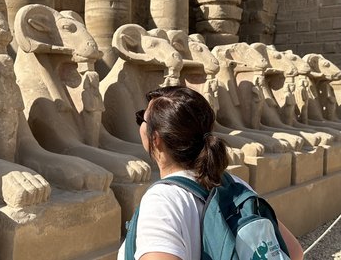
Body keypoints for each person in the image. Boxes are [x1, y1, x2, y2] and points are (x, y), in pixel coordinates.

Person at [117, 86, 303, 260]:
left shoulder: (163, 201)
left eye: (142, 118)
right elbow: (294, 252)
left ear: (155, 138)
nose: (140, 123)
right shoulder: (234, 184)